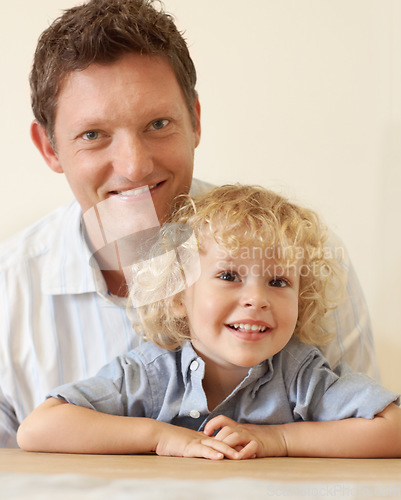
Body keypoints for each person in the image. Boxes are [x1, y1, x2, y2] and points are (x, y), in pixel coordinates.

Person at [0, 0, 379, 449]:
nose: (135, 166)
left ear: (195, 121)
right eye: (93, 135)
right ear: (50, 150)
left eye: (158, 123)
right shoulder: (10, 287)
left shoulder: (297, 252)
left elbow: (363, 459)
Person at [17, 185, 400, 458]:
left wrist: (279, 440)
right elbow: (38, 429)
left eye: (279, 281)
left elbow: (394, 430)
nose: (256, 298)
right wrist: (160, 437)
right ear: (179, 294)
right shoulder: (150, 375)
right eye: (229, 276)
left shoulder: (302, 375)